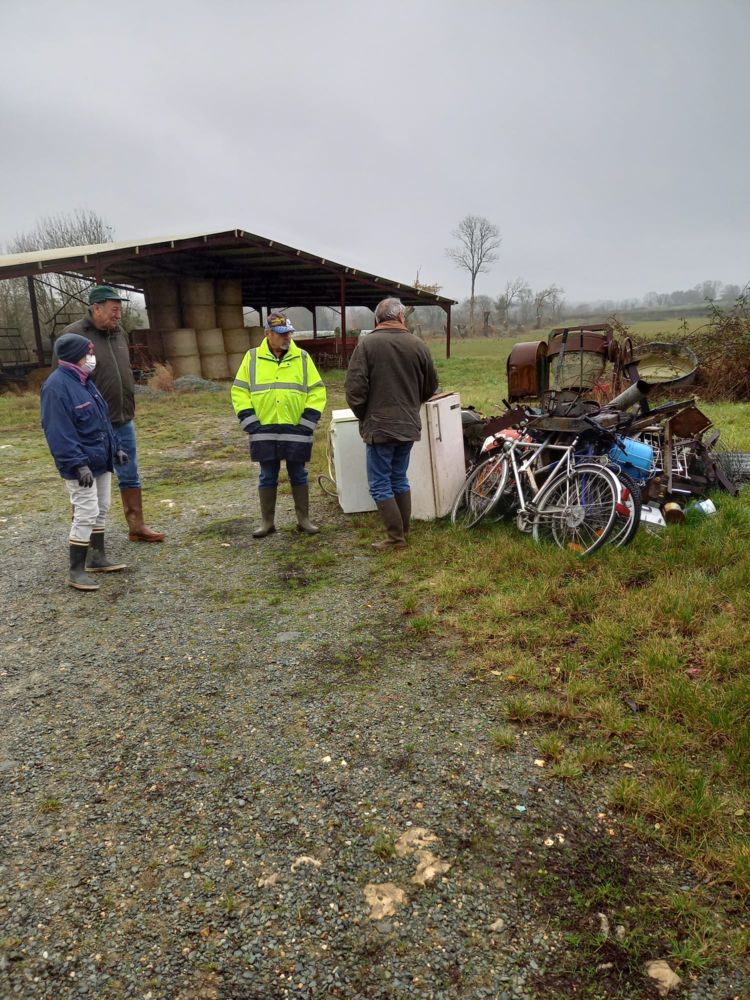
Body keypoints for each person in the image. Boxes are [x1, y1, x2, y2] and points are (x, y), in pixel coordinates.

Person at [61, 285, 165, 542]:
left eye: (120, 310)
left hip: (122, 418)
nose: (118, 315)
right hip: (90, 423)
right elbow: (63, 381)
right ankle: (84, 536)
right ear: (96, 308)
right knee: (89, 478)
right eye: (113, 310)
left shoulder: (119, 333)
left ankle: (137, 526)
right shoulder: (73, 335)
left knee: (129, 472)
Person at [345, 297, 439, 550]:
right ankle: (403, 532)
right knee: (399, 477)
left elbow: (354, 389)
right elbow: (431, 386)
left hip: (379, 427)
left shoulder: (367, 345)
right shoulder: (418, 345)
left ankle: (396, 538)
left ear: (377, 319)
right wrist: (411, 406)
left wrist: (366, 415)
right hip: (408, 424)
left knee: (379, 484)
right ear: (400, 317)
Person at [41, 333, 130, 591]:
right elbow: (58, 431)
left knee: (102, 506)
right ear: (74, 355)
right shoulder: (56, 387)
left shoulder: (85, 381)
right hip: (82, 466)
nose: (92, 357)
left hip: (100, 459)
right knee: (86, 511)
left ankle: (96, 557)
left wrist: (116, 448)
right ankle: (76, 571)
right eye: (88, 353)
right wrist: (78, 463)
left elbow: (102, 420)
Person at [231, 311, 327, 537]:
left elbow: (317, 391)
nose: (287, 337)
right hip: (263, 430)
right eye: (282, 333)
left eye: (289, 333)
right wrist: (251, 423)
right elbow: (239, 391)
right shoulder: (252, 357)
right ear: (267, 334)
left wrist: (307, 423)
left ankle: (304, 520)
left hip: (296, 429)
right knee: (267, 476)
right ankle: (267, 523)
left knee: (299, 474)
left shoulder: (302, 357)